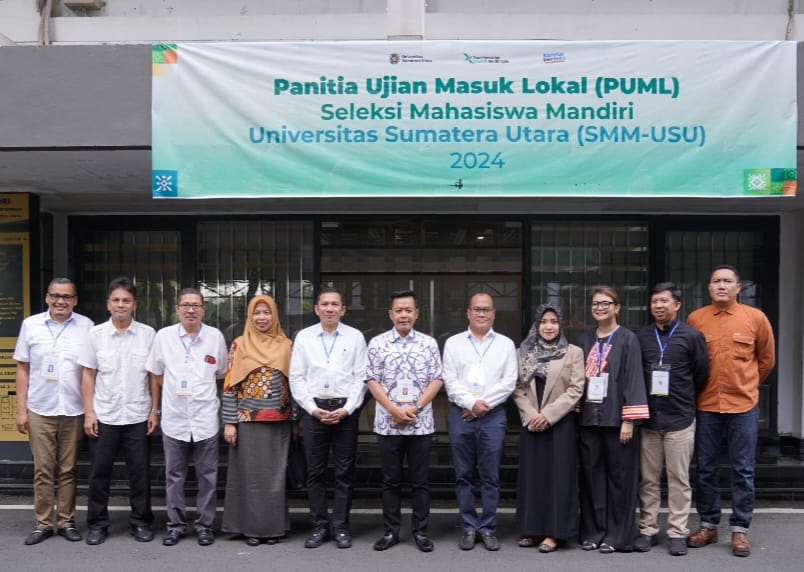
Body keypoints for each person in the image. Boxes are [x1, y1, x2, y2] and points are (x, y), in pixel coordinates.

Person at [686, 265, 775, 558]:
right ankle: (709, 525)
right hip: (707, 405)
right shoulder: (696, 319)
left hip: (743, 405)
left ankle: (740, 530)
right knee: (706, 469)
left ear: (739, 287)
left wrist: (746, 384)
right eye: (716, 281)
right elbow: (691, 362)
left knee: (743, 469)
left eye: (727, 281)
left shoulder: (756, 318)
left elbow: (766, 360)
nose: (721, 286)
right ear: (708, 287)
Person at [79, 277, 160, 545]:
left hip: (137, 415)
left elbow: (152, 376)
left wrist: (154, 410)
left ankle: (141, 522)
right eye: (116, 300)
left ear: (135, 305)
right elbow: (88, 375)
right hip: (105, 415)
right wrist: (89, 412)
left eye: (126, 300)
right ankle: (97, 524)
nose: (121, 305)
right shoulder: (95, 335)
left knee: (140, 473)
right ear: (108, 304)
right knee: (99, 473)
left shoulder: (148, 334)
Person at [14, 277, 93, 546]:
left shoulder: (86, 327)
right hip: (40, 408)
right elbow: (22, 368)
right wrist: (21, 410)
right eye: (56, 296)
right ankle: (44, 523)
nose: (61, 301)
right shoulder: (31, 325)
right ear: (47, 298)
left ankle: (67, 521)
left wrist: (90, 411)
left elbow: (89, 372)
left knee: (69, 469)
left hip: (73, 409)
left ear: (75, 301)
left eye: (67, 297)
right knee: (43, 470)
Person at [146, 287, 227, 547]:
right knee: (174, 476)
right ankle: (176, 526)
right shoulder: (164, 337)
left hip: (205, 419)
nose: (191, 310)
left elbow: (221, 375)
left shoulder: (215, 337)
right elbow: (156, 375)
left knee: (208, 476)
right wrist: (156, 411)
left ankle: (204, 526)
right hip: (175, 418)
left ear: (204, 309)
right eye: (186, 305)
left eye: (196, 305)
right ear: (177, 309)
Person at [289, 287, 367, 549]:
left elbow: (361, 378)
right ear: (317, 309)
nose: (330, 308)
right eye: (325, 304)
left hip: (345, 411)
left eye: (335, 304)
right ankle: (320, 526)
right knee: (316, 472)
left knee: (345, 472)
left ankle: (341, 526)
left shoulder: (355, 337)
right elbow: (296, 377)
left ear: (343, 309)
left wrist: (348, 409)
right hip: (314, 413)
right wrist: (312, 409)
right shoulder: (304, 337)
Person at [634, 282, 709, 556]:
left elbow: (701, 374)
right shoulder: (641, 337)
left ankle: (678, 532)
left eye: (664, 301)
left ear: (677, 305)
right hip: (649, 420)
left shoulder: (692, 337)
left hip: (680, 418)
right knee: (648, 479)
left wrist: (685, 398)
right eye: (655, 301)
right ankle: (648, 529)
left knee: (679, 478)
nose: (659, 306)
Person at [366, 289, 443, 553]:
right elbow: (371, 380)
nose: (403, 315)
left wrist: (415, 408)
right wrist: (394, 410)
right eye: (398, 310)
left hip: (420, 424)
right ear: (390, 313)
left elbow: (437, 379)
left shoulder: (429, 343)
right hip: (388, 424)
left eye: (408, 310)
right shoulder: (377, 343)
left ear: (417, 313)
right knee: (391, 481)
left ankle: (421, 532)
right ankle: (391, 531)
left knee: (420, 481)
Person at [442, 293, 517, 551]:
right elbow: (449, 381)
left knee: (490, 475)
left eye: (486, 310)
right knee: (463, 475)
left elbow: (509, 382)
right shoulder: (453, 343)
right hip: (461, 414)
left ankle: (487, 527)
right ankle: (468, 526)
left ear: (494, 314)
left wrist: (482, 405)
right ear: (468, 312)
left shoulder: (506, 344)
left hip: (493, 416)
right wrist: (470, 404)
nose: (482, 313)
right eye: (477, 309)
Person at [578, 286, 649, 554]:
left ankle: (618, 536)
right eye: (596, 303)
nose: (600, 307)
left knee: (620, 480)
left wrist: (629, 420)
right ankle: (594, 531)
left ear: (617, 308)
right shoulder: (584, 340)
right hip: (589, 420)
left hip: (617, 421)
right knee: (591, 478)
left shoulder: (628, 339)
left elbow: (633, 380)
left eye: (606, 303)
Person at [222, 294, 294, 546]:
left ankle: (272, 529)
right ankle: (250, 528)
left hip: (279, 422)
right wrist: (230, 422)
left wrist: (296, 422)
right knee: (249, 478)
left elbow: (294, 385)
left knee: (274, 479)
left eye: (267, 313)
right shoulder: (240, 345)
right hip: (247, 421)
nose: (261, 318)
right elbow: (229, 386)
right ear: (249, 317)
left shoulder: (287, 345)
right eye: (257, 313)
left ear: (274, 316)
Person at [512, 303, 585, 553]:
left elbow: (576, 389)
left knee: (558, 478)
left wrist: (548, 415)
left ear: (560, 324)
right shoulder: (522, 351)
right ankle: (532, 530)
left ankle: (555, 533)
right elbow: (517, 388)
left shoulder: (573, 352)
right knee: (534, 477)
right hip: (532, 423)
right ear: (537, 324)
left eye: (553, 321)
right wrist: (532, 415)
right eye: (544, 321)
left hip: (560, 423)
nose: (549, 326)